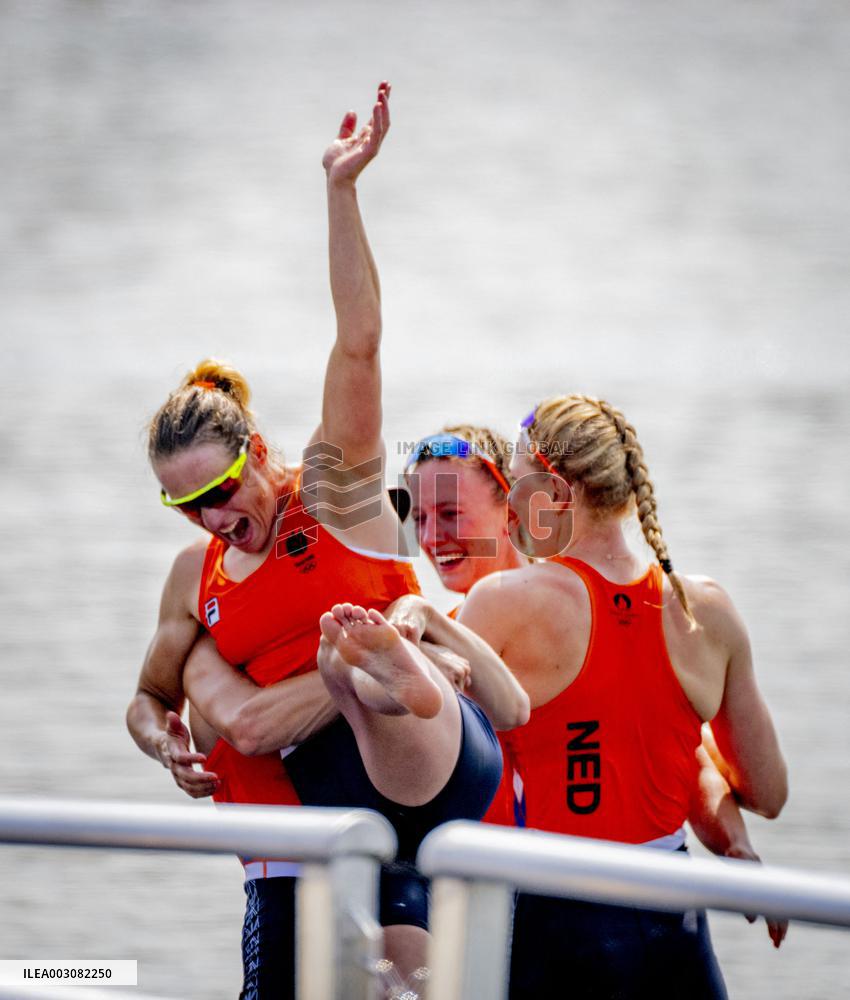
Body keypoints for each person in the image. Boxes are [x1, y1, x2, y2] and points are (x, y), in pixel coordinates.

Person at [126, 83, 528, 999]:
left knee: (352, 692)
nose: (211, 519)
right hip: (325, 824)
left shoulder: (334, 494)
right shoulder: (198, 574)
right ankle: (353, 664)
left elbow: (360, 344)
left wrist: (342, 192)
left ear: (260, 454)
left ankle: (373, 659)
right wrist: (164, 741)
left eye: (222, 491)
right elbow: (146, 699)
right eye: (182, 507)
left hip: (427, 770)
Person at [437, 397, 787, 998]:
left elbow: (428, 760)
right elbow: (768, 791)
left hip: (559, 918)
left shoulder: (504, 602)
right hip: (674, 925)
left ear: (559, 492)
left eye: (517, 483)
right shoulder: (705, 608)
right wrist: (728, 833)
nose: (512, 507)